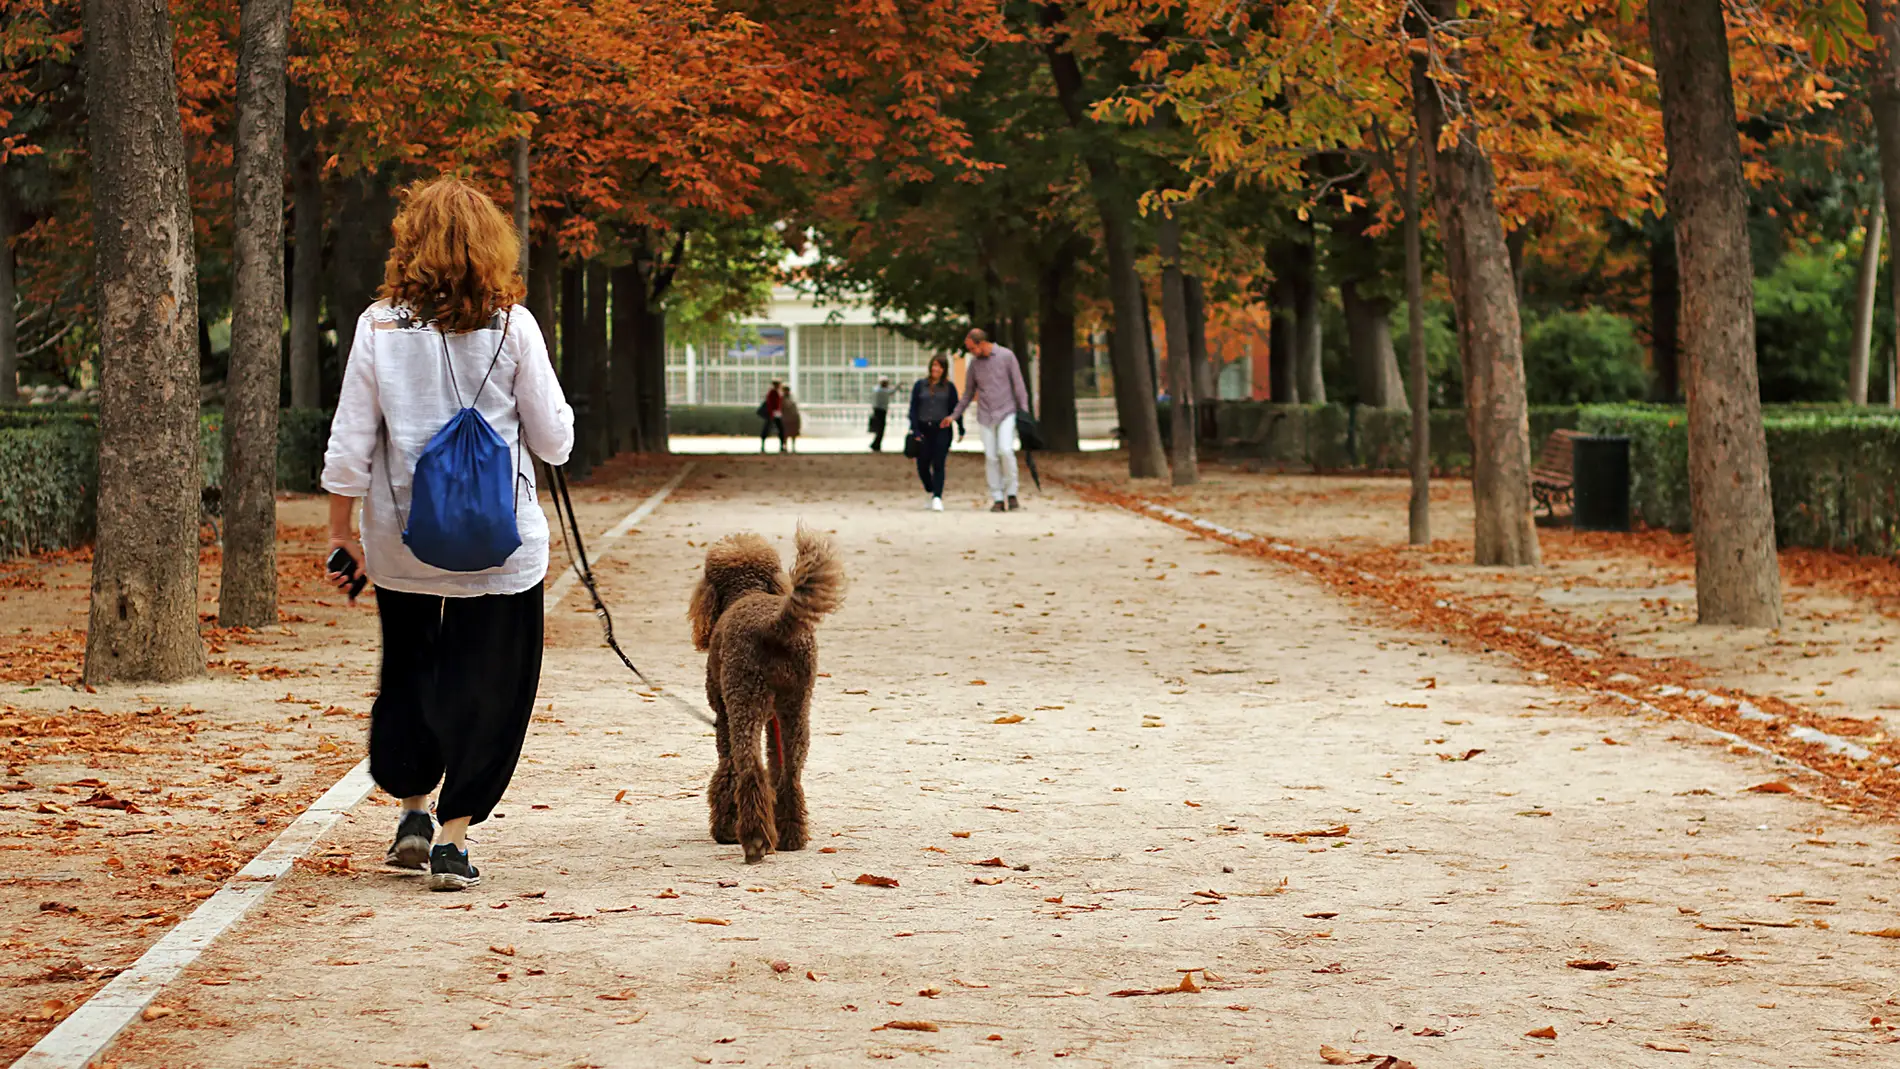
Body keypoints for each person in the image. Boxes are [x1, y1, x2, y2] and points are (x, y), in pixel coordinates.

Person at [319, 177, 574, 892]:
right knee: (489, 684)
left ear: (410, 243)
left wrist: (344, 534)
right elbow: (553, 443)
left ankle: (411, 811)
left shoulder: (377, 327)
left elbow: (350, 443)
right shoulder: (513, 327)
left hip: (403, 545)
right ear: (493, 247)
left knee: (410, 673)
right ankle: (454, 839)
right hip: (502, 550)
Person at [942, 328, 1030, 512]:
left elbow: (1019, 385)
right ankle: (997, 498)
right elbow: (967, 394)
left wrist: (1025, 414)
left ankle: (1012, 493)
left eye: (972, 348)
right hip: (985, 415)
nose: (971, 352)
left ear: (981, 343)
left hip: (1007, 411)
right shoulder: (974, 365)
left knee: (1005, 450)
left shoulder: (1006, 356)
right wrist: (954, 416)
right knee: (990, 457)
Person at [909, 355, 958, 511]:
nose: (936, 369)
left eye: (939, 366)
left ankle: (937, 496)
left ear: (944, 369)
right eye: (934, 365)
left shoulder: (949, 387)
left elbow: (955, 409)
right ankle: (930, 490)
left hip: (942, 429)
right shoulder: (920, 385)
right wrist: (915, 429)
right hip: (923, 428)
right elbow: (913, 408)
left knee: (939, 463)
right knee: (922, 464)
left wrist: (961, 427)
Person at [868, 376, 894, 452]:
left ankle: (876, 444)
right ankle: (876, 445)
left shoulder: (876, 389)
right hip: (880, 412)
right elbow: (890, 392)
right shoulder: (881, 391)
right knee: (880, 429)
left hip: (878, 411)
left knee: (879, 429)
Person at [758, 380, 785, 453]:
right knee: (766, 430)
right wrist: (771, 414)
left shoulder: (778, 392)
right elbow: (770, 404)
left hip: (777, 413)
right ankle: (763, 446)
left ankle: (782, 446)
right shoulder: (772, 392)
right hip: (772, 414)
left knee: (780, 430)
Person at [781, 384, 802, 453]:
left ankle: (793, 446)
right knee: (785, 434)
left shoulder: (792, 398)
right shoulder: (781, 399)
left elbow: (795, 408)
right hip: (785, 418)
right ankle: (785, 446)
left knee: (793, 433)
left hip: (793, 418)